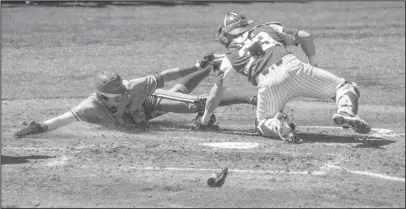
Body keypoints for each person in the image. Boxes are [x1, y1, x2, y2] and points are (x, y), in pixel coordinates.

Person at [195, 12, 371, 143]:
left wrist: (204, 120)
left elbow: (215, 94)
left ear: (229, 34)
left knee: (262, 122)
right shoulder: (267, 28)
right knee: (345, 87)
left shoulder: (229, 57)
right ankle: (346, 112)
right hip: (293, 67)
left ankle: (280, 125)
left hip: (268, 83)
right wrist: (313, 65)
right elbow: (305, 36)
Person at [14, 53, 257, 138]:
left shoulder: (133, 87)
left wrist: (195, 66)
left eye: (121, 91)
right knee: (180, 94)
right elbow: (64, 119)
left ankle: (249, 97)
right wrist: (39, 128)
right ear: (102, 96)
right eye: (116, 95)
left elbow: (164, 75)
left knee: (194, 105)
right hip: (145, 113)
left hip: (149, 101)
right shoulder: (91, 106)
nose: (122, 94)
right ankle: (207, 71)